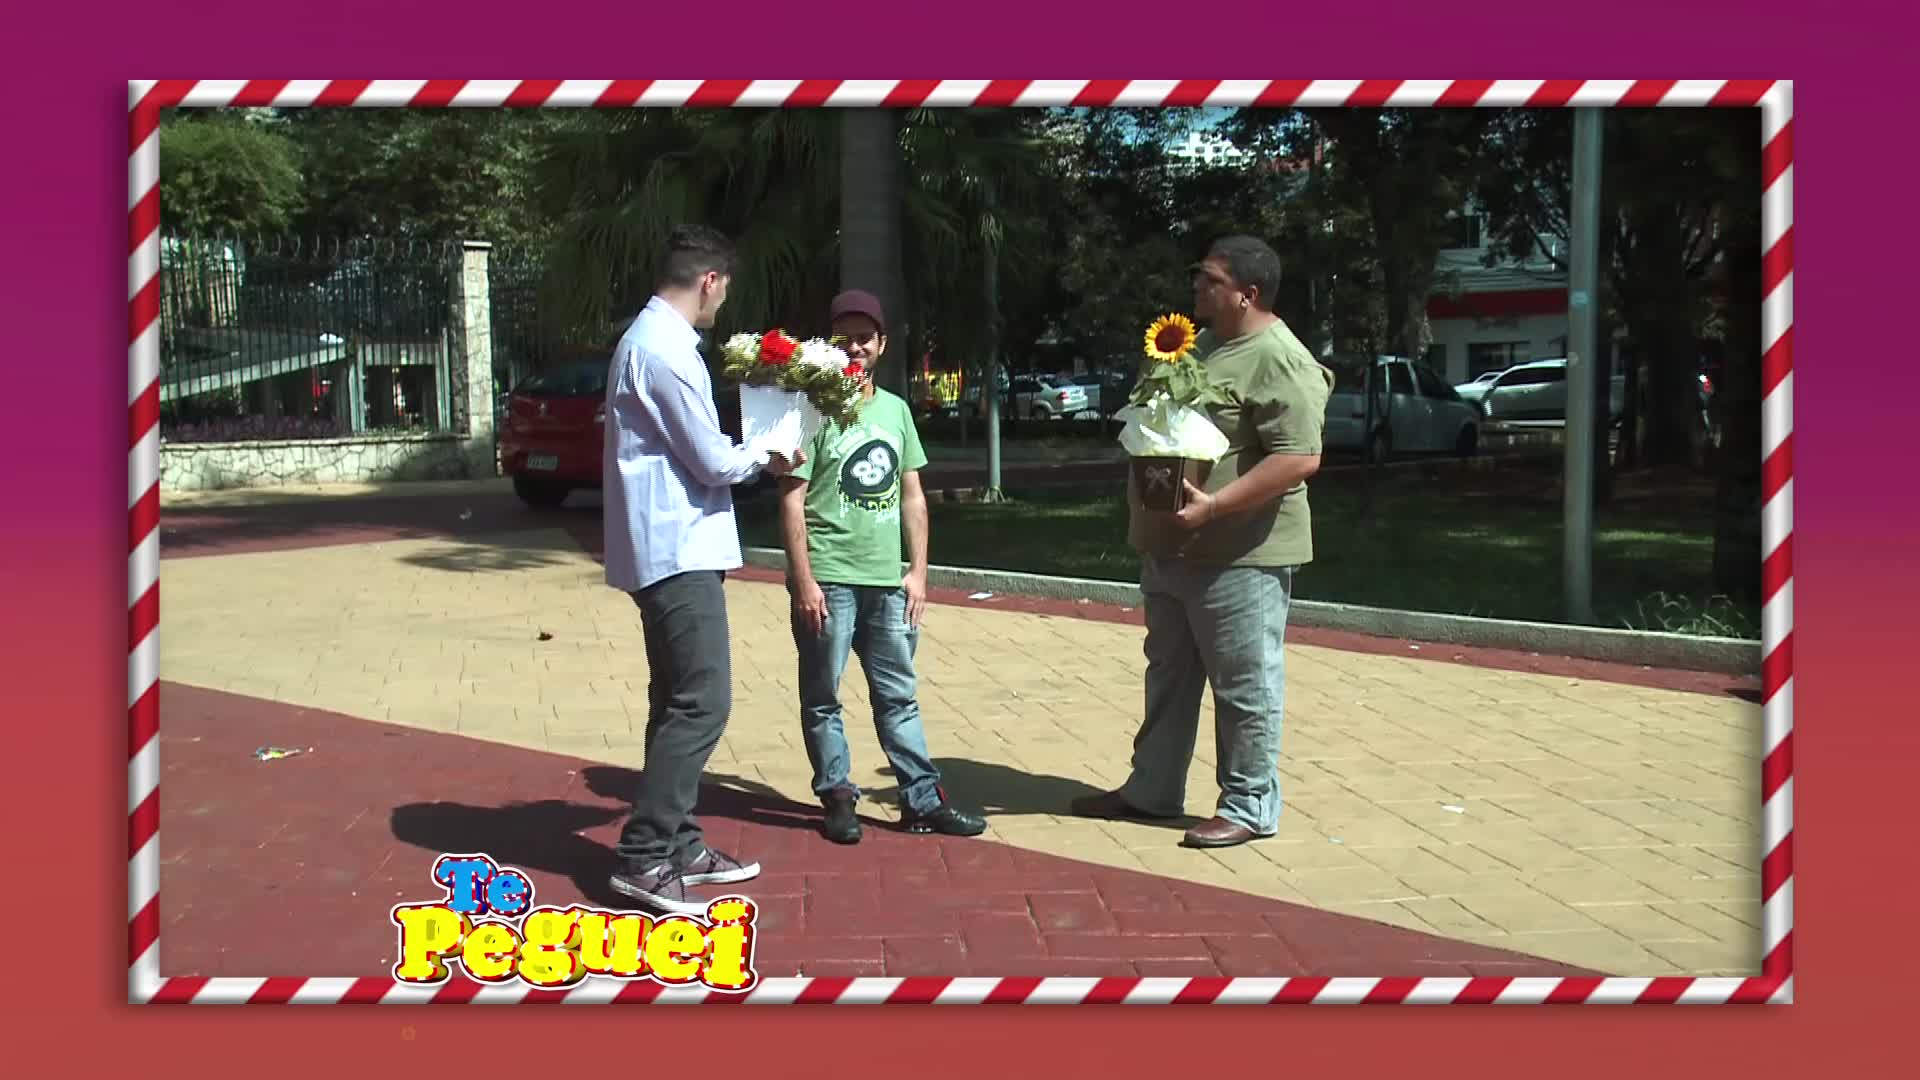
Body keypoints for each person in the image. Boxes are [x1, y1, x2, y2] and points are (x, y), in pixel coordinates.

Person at [1071, 235, 1333, 849]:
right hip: (1172, 546)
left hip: (1241, 555)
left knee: (1244, 685)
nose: (1197, 287)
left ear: (1248, 293)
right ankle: (1153, 790)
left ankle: (1249, 803)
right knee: (1168, 674)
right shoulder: (1198, 348)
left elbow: (1300, 457)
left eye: (1211, 279)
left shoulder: (1280, 358)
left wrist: (1214, 504)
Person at [602, 224, 803, 913]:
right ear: (709, 280)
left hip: (671, 545)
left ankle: (679, 841)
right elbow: (713, 460)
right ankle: (644, 856)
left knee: (675, 701)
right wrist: (769, 453)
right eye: (724, 289)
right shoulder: (663, 350)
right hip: (676, 549)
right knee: (702, 701)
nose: (723, 302)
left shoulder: (652, 341)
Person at [778, 289, 986, 844]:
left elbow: (912, 495)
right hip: (828, 579)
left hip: (887, 582)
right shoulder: (809, 410)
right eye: (843, 338)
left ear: (882, 344)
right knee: (823, 695)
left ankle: (921, 800)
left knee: (898, 696)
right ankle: (838, 796)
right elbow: (791, 500)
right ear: (829, 345)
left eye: (864, 338)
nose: (855, 347)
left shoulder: (895, 410)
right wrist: (803, 581)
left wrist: (918, 571)